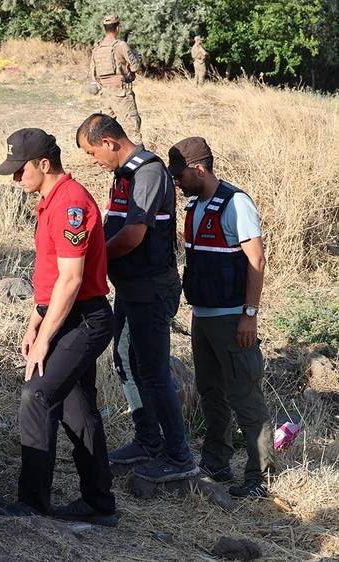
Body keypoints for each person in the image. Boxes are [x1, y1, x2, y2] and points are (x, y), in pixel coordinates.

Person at [0, 129, 116, 526]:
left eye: (19, 170)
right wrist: (36, 321)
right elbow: (50, 278)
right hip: (65, 315)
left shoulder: (70, 204)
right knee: (78, 411)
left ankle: (32, 503)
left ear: (44, 164)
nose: (15, 179)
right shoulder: (50, 201)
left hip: (85, 318)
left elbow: (72, 279)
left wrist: (46, 339)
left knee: (37, 396)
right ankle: (98, 502)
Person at [76, 114, 198, 483]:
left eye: (93, 152)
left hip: (150, 287)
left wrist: (92, 260)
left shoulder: (147, 172)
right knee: (126, 362)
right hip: (130, 287)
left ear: (110, 142)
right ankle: (147, 440)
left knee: (154, 370)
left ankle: (179, 456)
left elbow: (132, 236)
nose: (93, 161)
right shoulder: (124, 173)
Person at [168, 137, 273, 498]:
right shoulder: (195, 206)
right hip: (203, 316)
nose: (176, 182)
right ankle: (216, 462)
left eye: (180, 174)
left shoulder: (236, 203)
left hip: (232, 318)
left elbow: (256, 261)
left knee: (244, 395)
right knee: (211, 392)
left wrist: (250, 315)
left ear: (200, 169)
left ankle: (260, 476)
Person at [89, 15, 143, 143]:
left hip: (105, 95)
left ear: (104, 29)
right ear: (117, 28)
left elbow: (93, 74)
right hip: (121, 93)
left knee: (106, 130)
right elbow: (135, 67)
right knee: (132, 129)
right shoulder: (121, 45)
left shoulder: (97, 48)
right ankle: (140, 160)